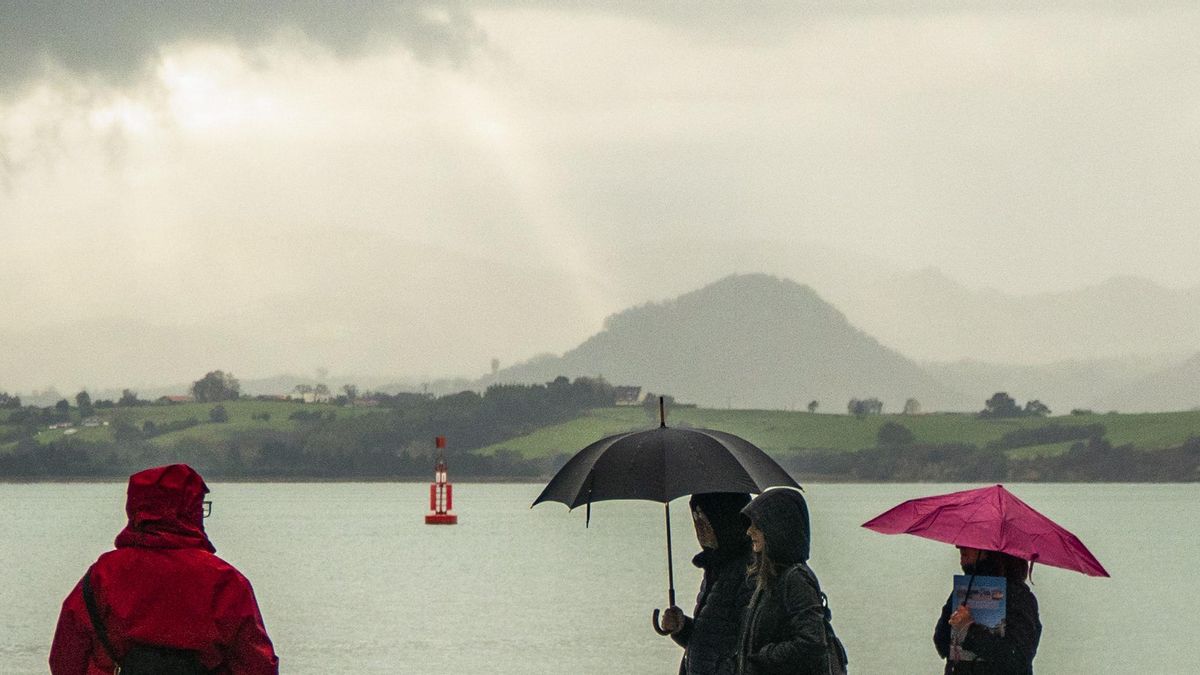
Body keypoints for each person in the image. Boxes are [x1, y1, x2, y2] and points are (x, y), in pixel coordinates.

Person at [50, 464, 279, 674]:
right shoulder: (225, 581)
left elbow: (66, 656)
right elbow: (257, 665)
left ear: (136, 507)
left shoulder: (103, 575)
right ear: (189, 510)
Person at [736, 487, 847, 675]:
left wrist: (765, 656)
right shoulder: (770, 578)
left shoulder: (795, 579)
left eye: (757, 524)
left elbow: (812, 642)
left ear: (776, 527)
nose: (749, 531)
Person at [659, 492, 755, 675]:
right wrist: (681, 627)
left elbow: (747, 648)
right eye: (695, 518)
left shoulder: (749, 573)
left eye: (704, 519)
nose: (699, 528)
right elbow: (712, 641)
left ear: (724, 520)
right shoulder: (717, 568)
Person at [933, 547, 1041, 674]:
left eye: (971, 540)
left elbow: (1017, 657)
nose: (959, 546)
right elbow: (942, 644)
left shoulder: (1017, 596)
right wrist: (953, 623)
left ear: (992, 550)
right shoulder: (965, 590)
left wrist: (969, 630)